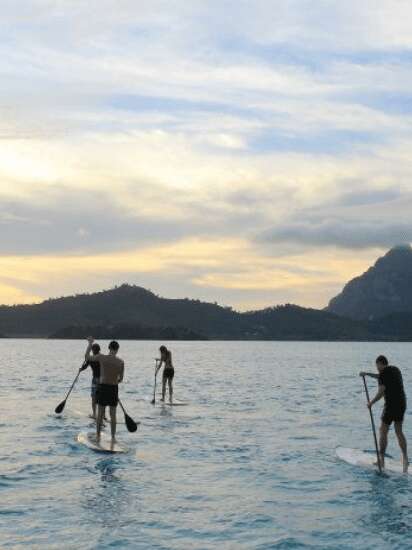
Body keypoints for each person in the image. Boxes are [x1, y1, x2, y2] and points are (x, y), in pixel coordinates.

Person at [360, 355, 408, 472]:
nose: (377, 369)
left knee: (383, 430)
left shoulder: (382, 374)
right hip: (402, 403)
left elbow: (381, 392)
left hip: (391, 405)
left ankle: (381, 460)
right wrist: (367, 374)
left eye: (377, 366)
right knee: (398, 431)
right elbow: (380, 377)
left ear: (380, 363)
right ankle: (406, 459)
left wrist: (371, 403)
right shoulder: (396, 369)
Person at [85, 337, 124, 444]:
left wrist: (90, 344)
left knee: (100, 413)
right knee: (113, 415)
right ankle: (113, 437)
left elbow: (87, 357)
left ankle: (97, 436)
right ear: (117, 349)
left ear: (109, 348)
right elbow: (120, 379)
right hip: (113, 389)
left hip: (102, 388)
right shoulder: (121, 362)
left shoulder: (101, 357)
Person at [79, 342, 101, 419]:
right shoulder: (102, 357)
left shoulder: (90, 359)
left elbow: (85, 366)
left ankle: (95, 414)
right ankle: (103, 415)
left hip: (95, 380)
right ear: (99, 350)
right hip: (103, 380)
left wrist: (81, 369)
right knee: (102, 398)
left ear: (92, 350)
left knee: (94, 397)